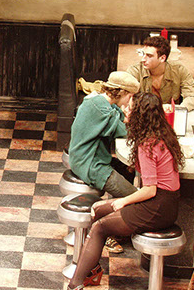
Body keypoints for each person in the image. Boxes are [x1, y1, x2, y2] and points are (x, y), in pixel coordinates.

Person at [68, 92, 184, 289]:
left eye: (130, 108)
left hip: (157, 207)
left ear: (140, 114)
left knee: (99, 228)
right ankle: (91, 272)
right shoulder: (163, 135)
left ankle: (75, 284)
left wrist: (123, 201)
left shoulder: (147, 144)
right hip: (165, 203)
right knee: (97, 210)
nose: (124, 110)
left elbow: (150, 190)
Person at [68, 71, 140, 253]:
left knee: (129, 171)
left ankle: (117, 227)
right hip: (90, 164)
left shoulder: (100, 102)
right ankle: (104, 232)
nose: (130, 101)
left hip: (93, 158)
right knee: (135, 198)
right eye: (130, 96)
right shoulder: (101, 109)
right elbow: (124, 131)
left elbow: (121, 119)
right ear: (122, 92)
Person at [127, 35, 194, 111]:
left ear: (162, 58)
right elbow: (126, 98)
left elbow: (193, 96)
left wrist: (176, 109)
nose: (143, 59)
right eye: (143, 54)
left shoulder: (179, 70)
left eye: (149, 56)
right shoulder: (135, 71)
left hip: (170, 114)